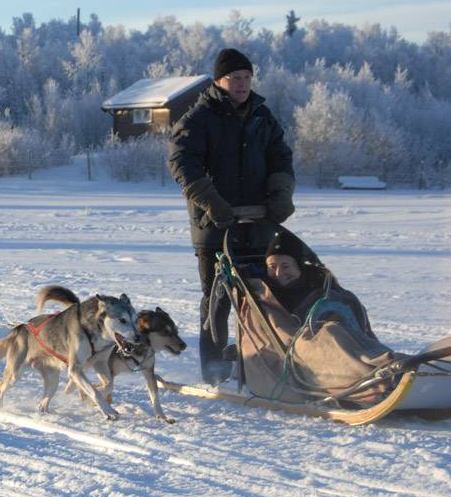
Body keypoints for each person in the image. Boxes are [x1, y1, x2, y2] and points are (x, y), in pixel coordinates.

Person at [168, 47, 295, 383]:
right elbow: (182, 163)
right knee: (217, 299)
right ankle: (215, 370)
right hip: (214, 227)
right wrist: (212, 203)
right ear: (220, 81)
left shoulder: (262, 117)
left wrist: (280, 195)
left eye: (247, 78)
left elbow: (281, 158)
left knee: (266, 295)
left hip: (259, 224)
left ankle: (262, 363)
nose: (242, 84)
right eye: (235, 78)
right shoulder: (198, 119)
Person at [238, 228, 398, 405]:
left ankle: (392, 367)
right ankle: (372, 382)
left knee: (340, 334)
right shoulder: (263, 295)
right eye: (272, 267)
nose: (278, 273)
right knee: (331, 333)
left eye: (285, 266)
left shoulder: (320, 284)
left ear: (299, 265)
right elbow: (277, 332)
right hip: (297, 350)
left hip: (339, 336)